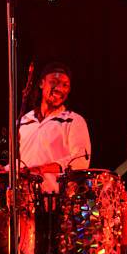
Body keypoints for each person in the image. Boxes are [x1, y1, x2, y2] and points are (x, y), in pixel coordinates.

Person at [16, 62, 92, 193]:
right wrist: (0, 169)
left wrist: (41, 169)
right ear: (41, 84)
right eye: (54, 82)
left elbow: (80, 161)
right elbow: (20, 163)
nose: (59, 88)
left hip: (57, 202)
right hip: (25, 203)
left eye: (65, 85)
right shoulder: (23, 121)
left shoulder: (73, 120)